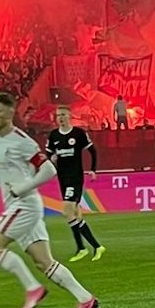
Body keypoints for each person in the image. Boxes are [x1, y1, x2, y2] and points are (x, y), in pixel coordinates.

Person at [0, 93, 98, 308]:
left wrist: (25, 187)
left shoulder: (22, 141)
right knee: (44, 262)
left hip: (24, 205)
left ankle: (32, 288)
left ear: (10, 113)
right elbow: (0, 171)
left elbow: (48, 170)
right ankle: (86, 299)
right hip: (19, 205)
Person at [45, 105, 104, 261]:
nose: (61, 118)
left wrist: (93, 170)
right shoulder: (54, 136)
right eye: (58, 116)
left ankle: (81, 248)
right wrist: (52, 159)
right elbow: (48, 153)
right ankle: (96, 246)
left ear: (69, 116)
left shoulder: (78, 134)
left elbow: (93, 151)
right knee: (76, 215)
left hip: (75, 177)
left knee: (67, 210)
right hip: (62, 178)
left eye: (63, 115)